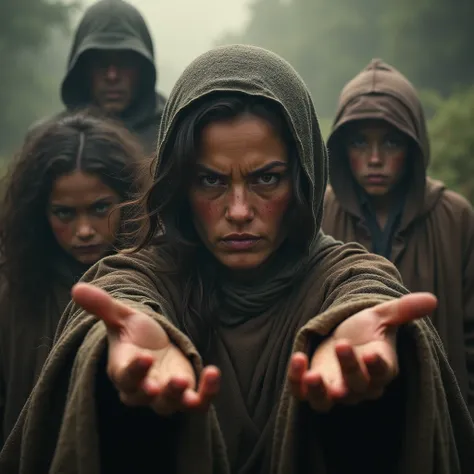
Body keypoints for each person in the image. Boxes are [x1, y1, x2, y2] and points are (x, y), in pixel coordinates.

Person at [1, 46, 472, 474]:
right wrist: (111, 353)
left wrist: (363, 356)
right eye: (210, 181)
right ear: (180, 184)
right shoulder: (149, 274)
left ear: (304, 178)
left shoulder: (341, 272)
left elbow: (366, 290)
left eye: (267, 179)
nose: (240, 211)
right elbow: (122, 293)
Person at [321, 59, 474, 418]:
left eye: (390, 142)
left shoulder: (455, 218)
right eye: (360, 142)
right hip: (341, 413)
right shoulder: (318, 215)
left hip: (437, 417)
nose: (375, 159)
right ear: (342, 149)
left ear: (414, 145)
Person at [0, 112, 147, 447]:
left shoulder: (157, 277)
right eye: (65, 213)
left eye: (100, 208)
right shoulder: (13, 289)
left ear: (129, 201)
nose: (84, 231)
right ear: (41, 211)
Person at [28, 0, 166, 154]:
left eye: (124, 61)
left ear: (142, 66)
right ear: (83, 67)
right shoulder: (48, 142)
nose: (112, 76)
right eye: (101, 61)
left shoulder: (174, 135)